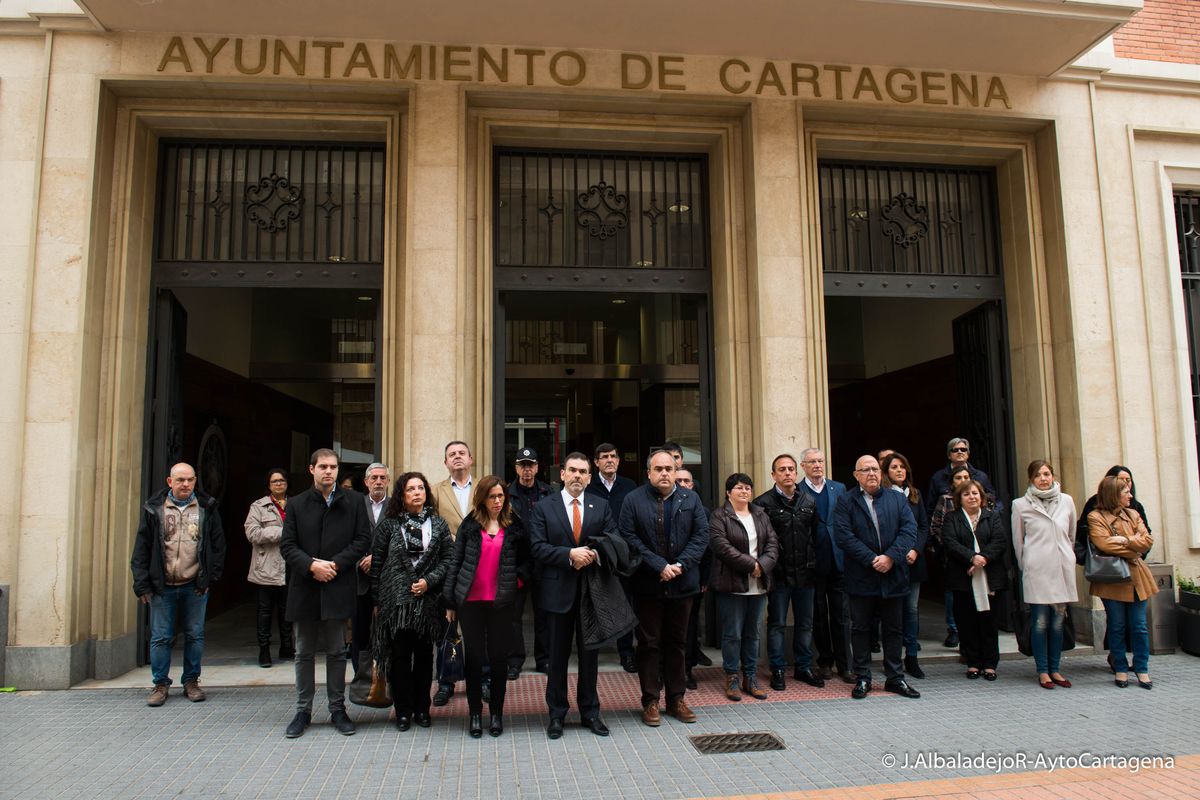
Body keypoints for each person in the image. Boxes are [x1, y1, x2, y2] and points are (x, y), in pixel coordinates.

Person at [280, 448, 371, 738]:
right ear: (312, 470)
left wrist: (335, 565)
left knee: (336, 651)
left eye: (333, 467)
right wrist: (311, 566)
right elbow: (287, 546)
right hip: (305, 586)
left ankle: (337, 709)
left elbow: (362, 540)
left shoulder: (355, 501)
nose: (328, 471)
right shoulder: (295, 504)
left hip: (337, 583)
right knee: (303, 651)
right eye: (322, 466)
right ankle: (302, 710)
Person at [528, 452, 618, 739]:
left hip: (591, 593)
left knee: (590, 657)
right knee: (557, 658)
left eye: (583, 471)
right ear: (562, 475)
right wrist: (569, 554)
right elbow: (537, 547)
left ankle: (590, 712)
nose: (578, 475)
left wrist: (591, 554)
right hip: (557, 593)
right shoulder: (544, 507)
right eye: (572, 470)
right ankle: (556, 714)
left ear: (590, 477)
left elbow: (613, 539)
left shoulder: (601, 506)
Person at [620, 449, 710, 726]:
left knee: (678, 643)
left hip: (683, 585)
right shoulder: (633, 499)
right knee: (648, 644)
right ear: (648, 472)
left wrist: (681, 564)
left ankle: (676, 698)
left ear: (675, 470)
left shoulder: (690, 498)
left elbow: (701, 536)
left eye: (669, 469)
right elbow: (628, 537)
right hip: (648, 585)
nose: (664, 474)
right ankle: (650, 701)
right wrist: (659, 565)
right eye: (658, 469)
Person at [131, 462, 227, 707]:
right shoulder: (155, 509)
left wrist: (209, 578)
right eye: (180, 480)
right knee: (160, 637)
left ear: (195, 481)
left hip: (194, 584)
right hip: (162, 586)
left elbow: (218, 545)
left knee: (195, 636)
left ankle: (191, 681)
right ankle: (160, 684)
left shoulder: (206, 507)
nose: (186, 484)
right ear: (169, 481)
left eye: (190, 480)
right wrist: (142, 584)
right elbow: (142, 549)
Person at [444, 476, 531, 738]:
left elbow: (527, 562)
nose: (497, 501)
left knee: (498, 659)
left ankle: (496, 713)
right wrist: (449, 601)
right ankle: (474, 714)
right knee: (474, 659)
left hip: (502, 602)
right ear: (482, 498)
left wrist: (516, 581)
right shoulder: (470, 525)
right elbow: (456, 562)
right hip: (471, 602)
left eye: (501, 496)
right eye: (492, 496)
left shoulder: (514, 525)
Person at [833, 455, 920, 700]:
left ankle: (895, 677)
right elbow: (844, 536)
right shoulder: (845, 500)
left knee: (894, 629)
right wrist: (872, 559)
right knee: (860, 629)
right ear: (856, 475)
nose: (871, 473)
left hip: (893, 575)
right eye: (865, 470)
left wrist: (890, 557)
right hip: (862, 576)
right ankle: (862, 677)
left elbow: (909, 530)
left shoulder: (896, 498)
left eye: (875, 469)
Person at [371, 471, 453, 730]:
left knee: (425, 657)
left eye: (421, 488)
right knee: (400, 657)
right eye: (411, 489)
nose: (417, 492)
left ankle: (422, 708)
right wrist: (377, 600)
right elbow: (377, 563)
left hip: (428, 601)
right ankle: (403, 711)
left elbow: (448, 560)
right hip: (396, 603)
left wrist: (429, 581)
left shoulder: (438, 525)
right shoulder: (389, 525)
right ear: (402, 495)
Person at [754, 453, 823, 692]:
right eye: (781, 469)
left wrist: (814, 563)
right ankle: (778, 669)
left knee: (805, 623)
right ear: (773, 475)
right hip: (780, 575)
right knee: (777, 623)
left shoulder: (808, 501)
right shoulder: (763, 503)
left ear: (797, 472)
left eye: (791, 469)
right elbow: (761, 542)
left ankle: (803, 667)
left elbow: (815, 537)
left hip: (806, 574)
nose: (787, 473)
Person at [1077, 465, 1152, 674]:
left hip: (1137, 577)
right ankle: (1119, 667)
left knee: (1139, 627)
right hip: (1112, 577)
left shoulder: (1134, 513)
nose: (1130, 492)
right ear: (1113, 495)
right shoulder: (1095, 516)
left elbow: (1147, 540)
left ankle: (1142, 668)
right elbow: (1104, 544)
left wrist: (1125, 540)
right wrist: (1132, 549)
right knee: (1117, 626)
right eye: (1125, 490)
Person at [710, 473, 778, 700]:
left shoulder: (760, 514)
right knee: (733, 634)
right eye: (739, 488)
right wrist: (752, 565)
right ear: (729, 492)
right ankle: (732, 677)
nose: (744, 491)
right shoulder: (720, 516)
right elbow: (722, 547)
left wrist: (762, 565)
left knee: (753, 633)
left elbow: (772, 544)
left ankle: (750, 676)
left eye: (748, 487)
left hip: (758, 585)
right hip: (732, 584)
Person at [1012, 460, 1077, 689]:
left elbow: (1071, 535)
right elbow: (1018, 542)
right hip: (1037, 570)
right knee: (1040, 622)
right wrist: (1027, 564)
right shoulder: (1020, 505)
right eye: (1038, 475)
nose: (1043, 478)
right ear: (1031, 479)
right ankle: (1042, 671)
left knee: (1058, 622)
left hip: (1061, 569)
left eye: (1047, 473)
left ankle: (1056, 668)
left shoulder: (1067, 501)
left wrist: (1067, 557)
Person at [941, 480, 1007, 680]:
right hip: (963, 577)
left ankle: (989, 663)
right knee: (967, 622)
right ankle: (973, 662)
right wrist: (972, 557)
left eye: (975, 493)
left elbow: (1000, 541)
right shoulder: (952, 518)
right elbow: (950, 542)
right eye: (967, 494)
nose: (972, 497)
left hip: (989, 576)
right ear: (959, 499)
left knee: (989, 621)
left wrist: (983, 558)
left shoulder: (992, 517)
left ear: (981, 496)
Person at [799, 448, 854, 683]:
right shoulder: (798, 490)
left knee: (842, 615)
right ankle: (825, 661)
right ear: (803, 466)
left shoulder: (839, 488)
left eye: (820, 461)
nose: (817, 465)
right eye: (812, 462)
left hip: (838, 560)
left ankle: (846, 665)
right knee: (818, 615)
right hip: (813, 563)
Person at [586, 441, 638, 672]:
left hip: (622, 554)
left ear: (618, 460)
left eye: (613, 456)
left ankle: (626, 652)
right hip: (595, 554)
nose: (610, 460)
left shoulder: (629, 486)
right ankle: (593, 651)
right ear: (596, 462)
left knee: (624, 602)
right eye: (604, 456)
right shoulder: (588, 485)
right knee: (596, 601)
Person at [432, 440, 474, 706]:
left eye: (461, 453)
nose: (457, 457)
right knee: (446, 628)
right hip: (447, 568)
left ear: (471, 459)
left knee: (477, 628)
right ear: (446, 462)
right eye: (452, 455)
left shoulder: (485, 489)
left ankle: (481, 679)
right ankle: (446, 682)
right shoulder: (436, 490)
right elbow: (432, 524)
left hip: (478, 567)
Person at [929, 464, 990, 649]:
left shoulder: (988, 511)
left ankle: (985, 653)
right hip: (955, 560)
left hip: (983, 564)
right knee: (958, 602)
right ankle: (955, 631)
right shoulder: (946, 502)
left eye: (966, 477)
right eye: (958, 478)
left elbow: (998, 539)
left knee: (983, 608)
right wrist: (966, 556)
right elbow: (938, 529)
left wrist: (981, 558)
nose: (963, 481)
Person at [880, 452, 929, 679]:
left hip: (913, 562)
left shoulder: (915, 495)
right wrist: (898, 553)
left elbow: (922, 526)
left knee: (911, 610)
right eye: (894, 467)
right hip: (893, 562)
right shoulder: (882, 495)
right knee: (892, 612)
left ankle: (912, 656)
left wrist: (915, 549)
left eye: (902, 467)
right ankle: (892, 658)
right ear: (886, 472)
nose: (899, 471)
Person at [507, 447, 552, 678]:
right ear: (516, 468)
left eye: (530, 465)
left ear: (537, 467)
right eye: (522, 465)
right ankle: (515, 661)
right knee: (514, 616)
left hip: (543, 562)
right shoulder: (506, 494)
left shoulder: (548, 492)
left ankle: (543, 659)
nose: (527, 470)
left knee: (543, 614)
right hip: (517, 563)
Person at [244, 468, 293, 668]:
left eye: (282, 480)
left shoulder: (295, 505)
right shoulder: (258, 507)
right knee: (265, 611)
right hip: (265, 566)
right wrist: (282, 532)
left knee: (287, 609)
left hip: (289, 565)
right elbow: (253, 533)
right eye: (275, 481)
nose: (279, 484)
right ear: (269, 485)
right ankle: (264, 650)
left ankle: (287, 646)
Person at [351, 462, 390, 680]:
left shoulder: (396, 507)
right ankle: (362, 677)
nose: (378, 482)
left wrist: (377, 558)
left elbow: (401, 541)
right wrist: (360, 561)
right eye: (374, 478)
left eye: (382, 478)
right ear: (366, 482)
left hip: (387, 582)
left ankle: (385, 677)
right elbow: (346, 538)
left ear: (388, 481)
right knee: (360, 632)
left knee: (388, 632)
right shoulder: (355, 505)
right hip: (361, 581)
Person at [677, 468, 713, 688]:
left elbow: (707, 549)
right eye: (678, 480)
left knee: (689, 628)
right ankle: (663, 670)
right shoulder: (657, 505)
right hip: (663, 576)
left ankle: (687, 670)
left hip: (692, 577)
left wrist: (705, 579)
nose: (682, 484)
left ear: (693, 485)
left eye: (686, 481)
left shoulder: (703, 511)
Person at [925, 437, 997, 515]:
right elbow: (931, 508)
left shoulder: (981, 477)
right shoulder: (938, 478)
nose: (960, 452)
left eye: (963, 449)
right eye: (955, 450)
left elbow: (994, 501)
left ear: (967, 454)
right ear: (949, 455)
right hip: (948, 524)